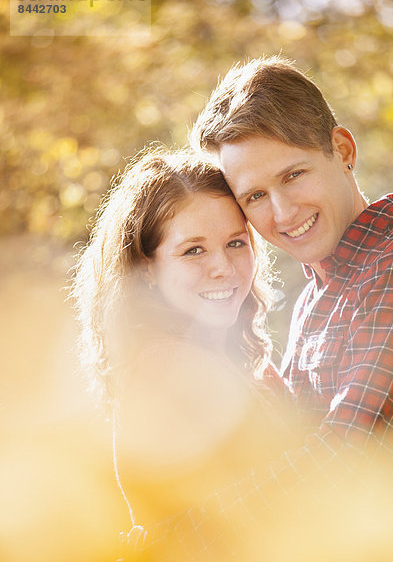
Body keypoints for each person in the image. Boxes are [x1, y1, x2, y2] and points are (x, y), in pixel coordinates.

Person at [132, 57, 393, 558]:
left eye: (293, 175)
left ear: (342, 151)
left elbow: (346, 454)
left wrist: (165, 544)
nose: (281, 213)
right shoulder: (315, 300)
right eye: (255, 195)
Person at [71, 146, 297, 560]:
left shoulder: (223, 359)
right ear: (147, 269)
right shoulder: (167, 369)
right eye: (193, 250)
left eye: (235, 243)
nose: (223, 268)